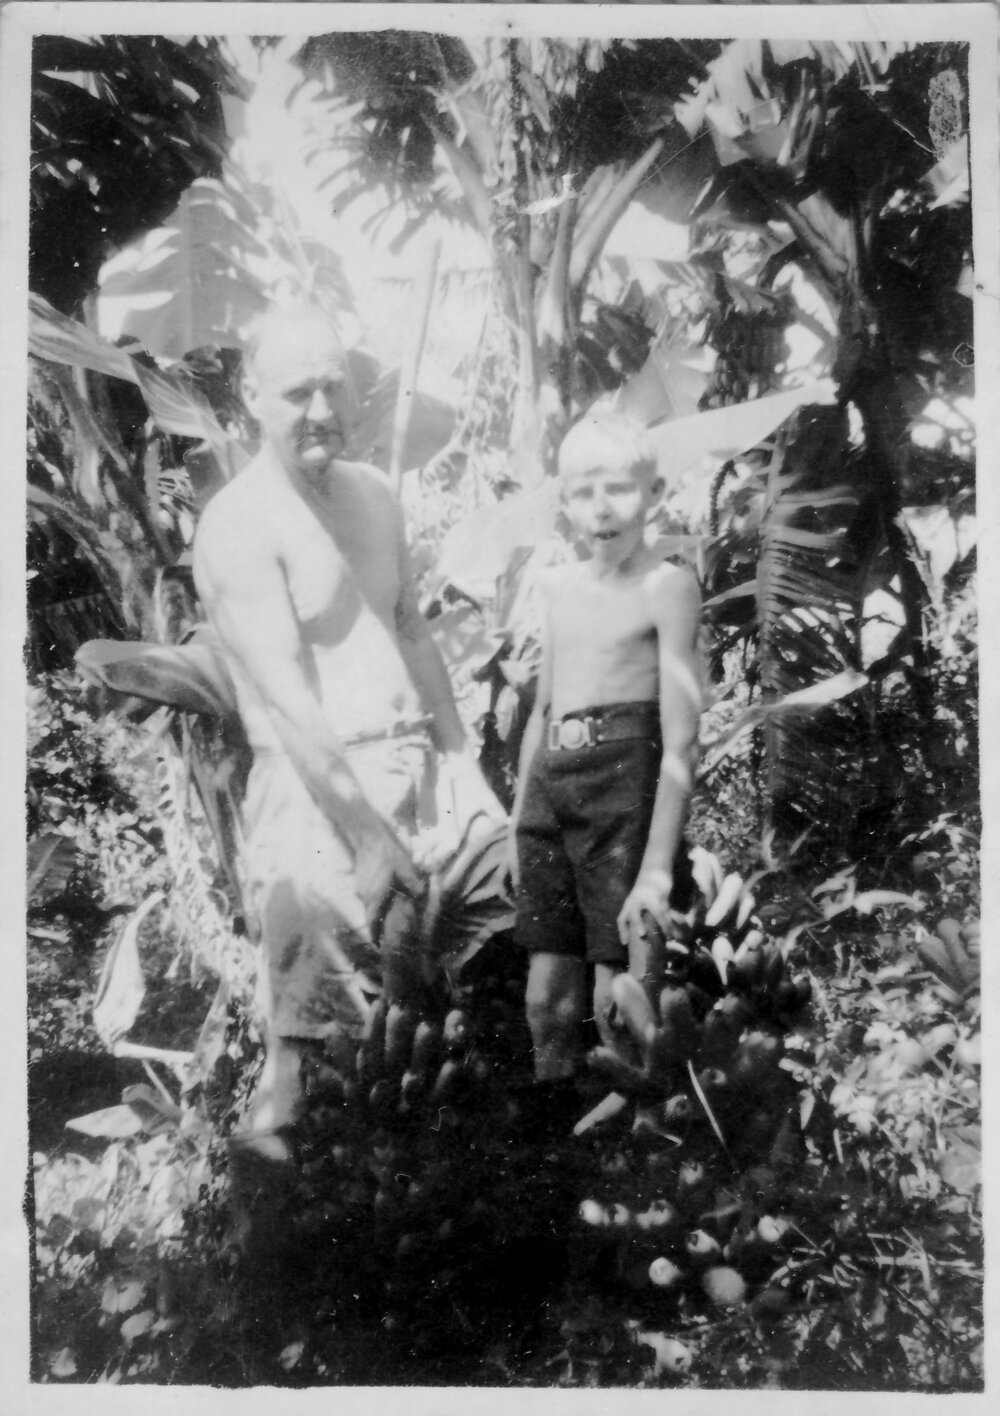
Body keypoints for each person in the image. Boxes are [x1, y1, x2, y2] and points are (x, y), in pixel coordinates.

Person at [192, 303, 503, 1162]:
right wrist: (366, 837)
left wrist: (463, 767)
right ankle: (272, 1254)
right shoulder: (238, 525)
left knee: (478, 978)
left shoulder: (375, 496)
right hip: (314, 791)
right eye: (298, 392)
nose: (323, 409)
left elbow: (409, 629)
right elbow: (291, 706)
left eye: (335, 385)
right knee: (306, 1052)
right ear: (251, 397)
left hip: (421, 768)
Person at [509, 409, 702, 1083]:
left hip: (625, 788)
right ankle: (557, 1156)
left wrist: (653, 868)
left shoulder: (668, 587)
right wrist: (517, 824)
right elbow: (542, 708)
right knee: (545, 1000)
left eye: (619, 488)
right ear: (564, 503)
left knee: (618, 994)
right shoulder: (557, 587)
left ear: (653, 494)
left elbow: (682, 734)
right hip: (551, 787)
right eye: (584, 492)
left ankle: (632, 1157)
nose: (602, 509)